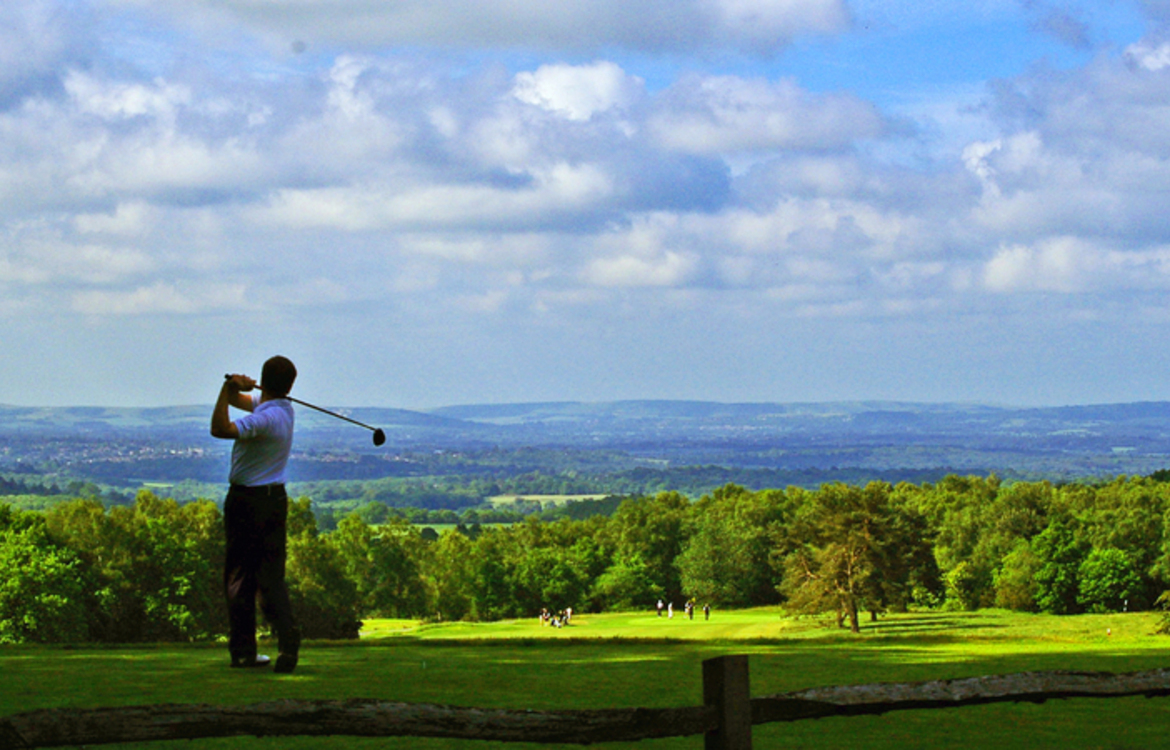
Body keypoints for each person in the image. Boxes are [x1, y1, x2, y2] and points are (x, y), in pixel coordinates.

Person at [211, 356, 301, 673]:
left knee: (239, 579)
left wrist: (226, 389)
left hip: (247, 501)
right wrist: (234, 388)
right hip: (274, 500)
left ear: (263, 379)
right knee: (271, 578)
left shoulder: (267, 418)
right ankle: (288, 643)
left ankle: (244, 653)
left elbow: (219, 428)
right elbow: (241, 400)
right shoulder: (280, 409)